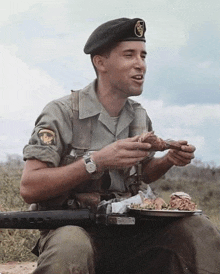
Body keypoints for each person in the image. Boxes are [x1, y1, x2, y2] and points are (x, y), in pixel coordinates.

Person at [20, 18, 220, 274]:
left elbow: (141, 174)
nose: (141, 65)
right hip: (74, 227)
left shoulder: (139, 116)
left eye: (143, 56)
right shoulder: (62, 113)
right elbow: (29, 187)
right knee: (71, 245)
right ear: (100, 62)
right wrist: (96, 162)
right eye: (129, 55)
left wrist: (168, 160)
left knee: (199, 229)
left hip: (132, 232)